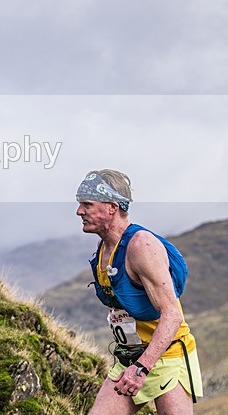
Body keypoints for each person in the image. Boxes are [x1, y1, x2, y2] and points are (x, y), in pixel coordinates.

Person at [76, 170, 203, 414]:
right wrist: (134, 364)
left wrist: (142, 368)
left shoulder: (142, 246)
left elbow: (172, 314)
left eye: (87, 204)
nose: (79, 211)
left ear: (112, 207)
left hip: (168, 358)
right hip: (129, 358)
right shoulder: (104, 246)